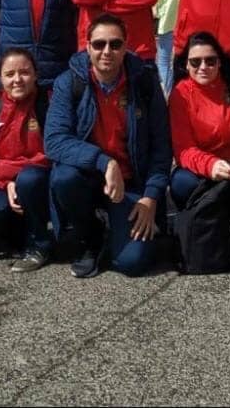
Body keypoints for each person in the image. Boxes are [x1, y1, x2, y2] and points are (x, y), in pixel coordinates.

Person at [46, 14, 171, 278]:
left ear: (126, 47)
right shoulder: (69, 83)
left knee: (131, 263)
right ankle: (89, 238)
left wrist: (151, 197)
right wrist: (104, 162)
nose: (107, 51)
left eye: (115, 44)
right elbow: (54, 141)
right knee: (63, 176)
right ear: (87, 46)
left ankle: (119, 227)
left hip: (131, 183)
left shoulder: (145, 83)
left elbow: (162, 146)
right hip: (90, 178)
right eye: (99, 44)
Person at [168, 32, 230, 268]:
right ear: (186, 64)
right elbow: (183, 148)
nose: (203, 67)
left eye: (210, 60)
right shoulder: (181, 93)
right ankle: (203, 230)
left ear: (220, 61)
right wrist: (209, 165)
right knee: (181, 183)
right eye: (195, 62)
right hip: (203, 167)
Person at [0, 46, 53, 272]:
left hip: (42, 181)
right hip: (7, 183)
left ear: (35, 74)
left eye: (24, 72)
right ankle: (20, 239)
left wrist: (5, 171)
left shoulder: (49, 104)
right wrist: (7, 183)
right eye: (9, 74)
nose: (17, 80)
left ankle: (40, 245)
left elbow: (52, 153)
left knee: (29, 179)